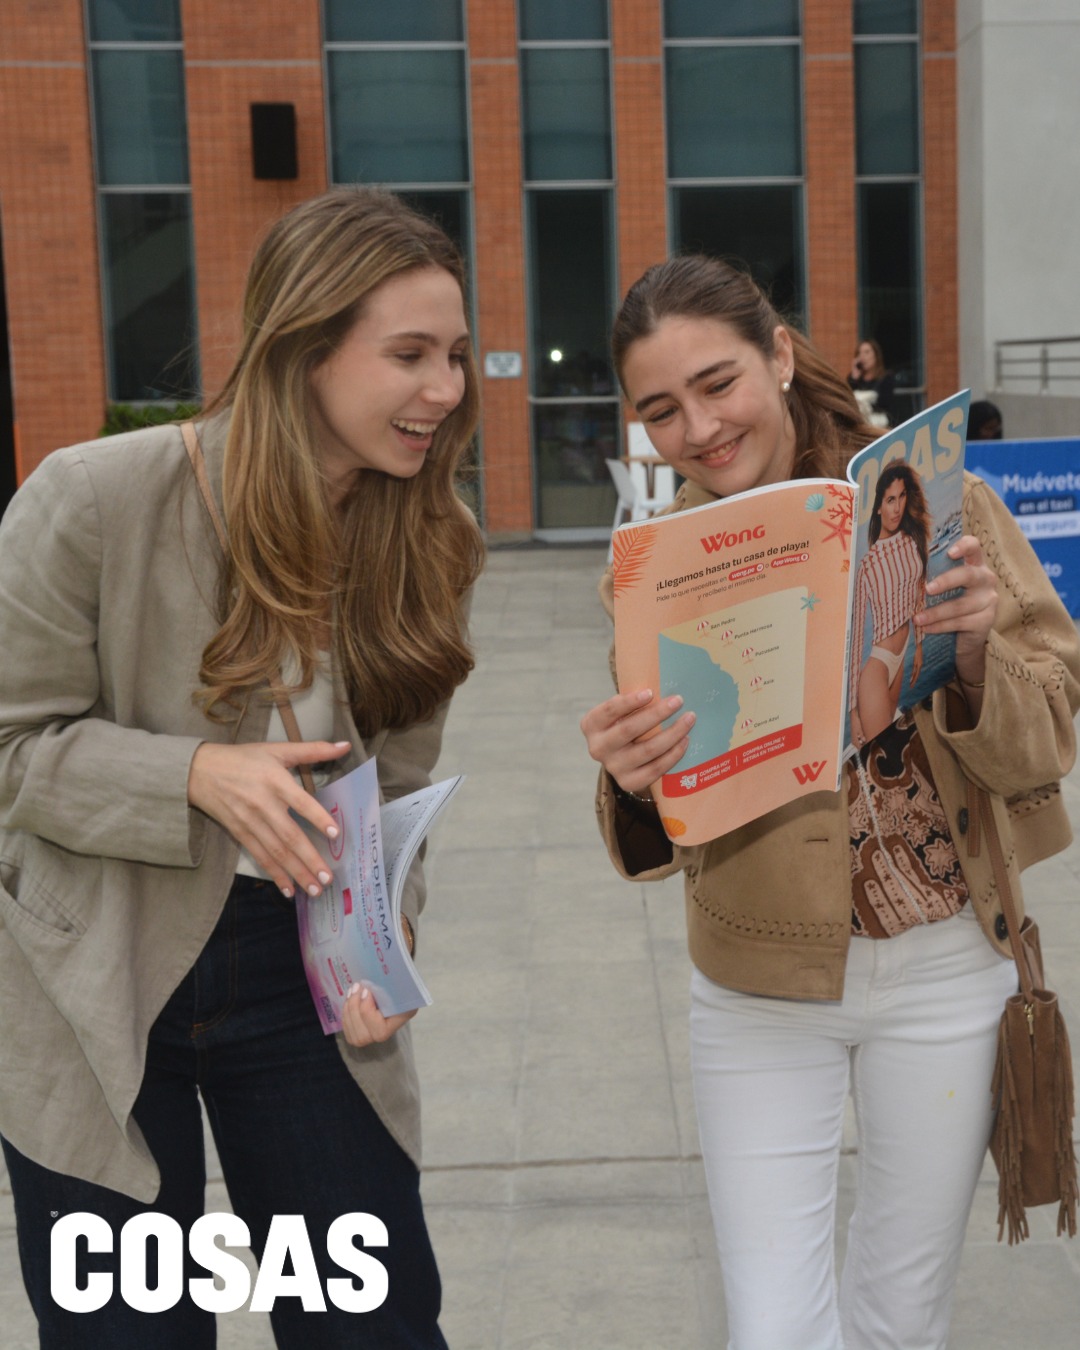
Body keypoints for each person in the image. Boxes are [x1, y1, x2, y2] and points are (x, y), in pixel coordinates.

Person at [0, 187, 484, 1348]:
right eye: (411, 355)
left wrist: (389, 927)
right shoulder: (94, 496)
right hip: (96, 985)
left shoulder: (432, 538)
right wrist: (192, 773)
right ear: (305, 349)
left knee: (371, 1328)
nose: (447, 390)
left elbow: (401, 787)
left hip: (308, 994)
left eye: (457, 356)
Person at [580, 254, 1080, 1349]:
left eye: (719, 384)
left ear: (778, 354)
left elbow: (1052, 731)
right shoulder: (658, 569)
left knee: (902, 1322)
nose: (700, 429)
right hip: (760, 979)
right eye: (661, 410)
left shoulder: (956, 510)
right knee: (775, 1332)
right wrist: (630, 776)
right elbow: (662, 830)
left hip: (949, 967)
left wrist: (973, 650)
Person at [849, 462, 931, 747]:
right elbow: (857, 635)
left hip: (903, 655)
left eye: (902, 496)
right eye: (890, 500)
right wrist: (853, 713)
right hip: (878, 665)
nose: (897, 508)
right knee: (885, 750)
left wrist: (919, 644)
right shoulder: (867, 565)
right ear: (879, 507)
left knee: (894, 744)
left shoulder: (912, 542)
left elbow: (918, 593)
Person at [848, 337, 897, 427]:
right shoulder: (854, 380)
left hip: (880, 426)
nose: (862, 357)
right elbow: (847, 399)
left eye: (867, 352)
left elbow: (884, 404)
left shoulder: (886, 378)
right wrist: (854, 378)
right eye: (859, 353)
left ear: (876, 355)